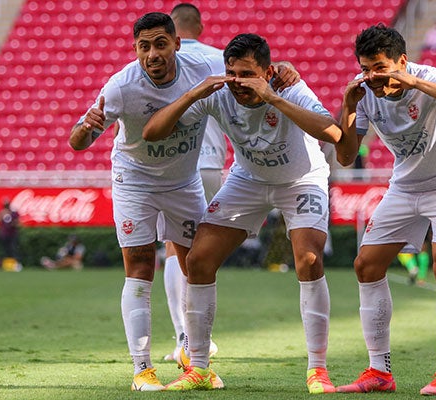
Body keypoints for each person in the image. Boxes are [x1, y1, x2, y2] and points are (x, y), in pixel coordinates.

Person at [69, 13, 298, 392]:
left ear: (177, 43)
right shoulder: (120, 86)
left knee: (197, 264)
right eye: (144, 47)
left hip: (184, 181)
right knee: (140, 265)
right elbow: (78, 142)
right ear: (135, 50)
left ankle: (194, 357)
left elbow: (251, 71)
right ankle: (142, 370)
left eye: (161, 44)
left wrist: (283, 69)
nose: (153, 54)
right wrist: (85, 127)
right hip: (134, 181)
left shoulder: (204, 65)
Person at [143, 33, 351, 393]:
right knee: (199, 260)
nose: (238, 82)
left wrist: (273, 96)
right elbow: (153, 132)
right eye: (232, 73)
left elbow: (332, 132)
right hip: (248, 179)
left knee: (309, 259)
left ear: (268, 72)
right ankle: (200, 368)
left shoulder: (289, 87)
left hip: (301, 178)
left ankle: (318, 369)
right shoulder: (221, 94)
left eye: (247, 74)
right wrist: (194, 94)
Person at [338, 23, 436, 395]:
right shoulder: (364, 92)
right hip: (405, 185)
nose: (371, 76)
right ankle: (379, 372)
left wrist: (415, 83)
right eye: (366, 68)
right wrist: (349, 107)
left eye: (380, 67)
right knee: (366, 265)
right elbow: (345, 155)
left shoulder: (427, 77)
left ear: (401, 62)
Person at [160, 2, 227, 367]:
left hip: (175, 165)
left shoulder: (166, 61)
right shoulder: (221, 60)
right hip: (213, 164)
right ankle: (200, 337)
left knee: (174, 249)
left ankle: (185, 338)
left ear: (170, 30)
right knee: (201, 254)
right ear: (200, 25)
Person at [0, 198, 21, 268]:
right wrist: (1, 215)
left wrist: (13, 223)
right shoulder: (1, 212)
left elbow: (18, 223)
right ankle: (7, 265)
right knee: (5, 250)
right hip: (4, 234)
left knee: (13, 249)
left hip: (12, 234)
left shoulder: (13, 213)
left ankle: (15, 264)